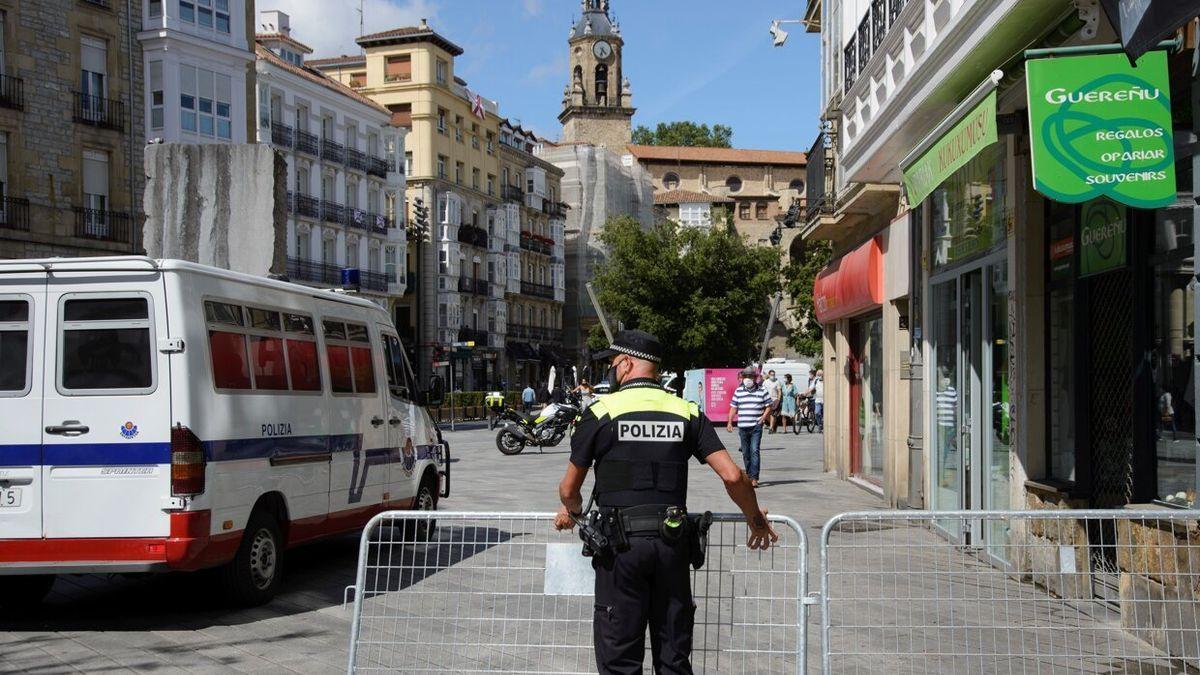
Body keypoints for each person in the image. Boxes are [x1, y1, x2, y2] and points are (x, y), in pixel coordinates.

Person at [555, 330, 778, 675]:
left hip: (620, 549)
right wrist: (754, 519)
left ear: (626, 363)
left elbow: (570, 488)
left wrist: (572, 513)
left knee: (619, 658)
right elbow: (733, 476)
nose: (611, 371)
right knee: (673, 657)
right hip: (671, 544)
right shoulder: (686, 411)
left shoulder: (600, 412)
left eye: (613, 364)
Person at [727, 367, 771, 488]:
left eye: (751, 377)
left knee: (754, 451)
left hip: (756, 426)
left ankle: (754, 478)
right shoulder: (739, 391)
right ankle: (748, 474)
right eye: (746, 377)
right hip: (743, 427)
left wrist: (763, 418)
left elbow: (769, 406)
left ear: (755, 378)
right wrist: (729, 422)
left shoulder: (762, 390)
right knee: (746, 453)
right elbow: (733, 407)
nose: (748, 379)